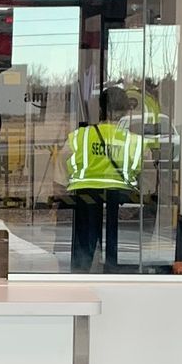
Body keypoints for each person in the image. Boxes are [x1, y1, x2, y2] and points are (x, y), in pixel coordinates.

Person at [64, 90, 142, 270]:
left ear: (101, 109)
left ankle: (81, 273)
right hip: (120, 195)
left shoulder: (82, 136)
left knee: (85, 243)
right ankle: (111, 270)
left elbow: (63, 160)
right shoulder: (132, 141)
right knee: (114, 240)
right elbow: (143, 168)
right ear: (124, 111)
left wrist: (60, 187)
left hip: (86, 194)